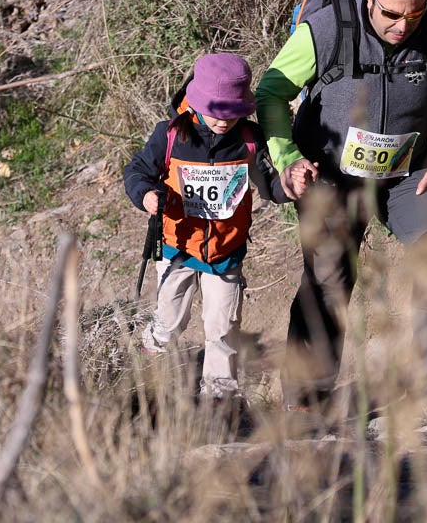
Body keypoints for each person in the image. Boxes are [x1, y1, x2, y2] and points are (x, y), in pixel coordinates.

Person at [255, 0, 427, 417]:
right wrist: (287, 159)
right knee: (330, 271)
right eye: (393, 15)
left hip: (407, 171)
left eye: (414, 13)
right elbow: (272, 94)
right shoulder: (326, 29)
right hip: (330, 173)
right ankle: (306, 401)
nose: (404, 27)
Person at [123, 53, 305, 400]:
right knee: (169, 322)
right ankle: (146, 381)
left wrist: (292, 186)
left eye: (233, 112)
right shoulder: (171, 135)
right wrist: (146, 195)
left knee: (222, 329)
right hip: (176, 247)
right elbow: (137, 172)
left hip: (226, 253)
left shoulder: (250, 139)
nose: (224, 121)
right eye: (216, 112)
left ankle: (219, 402)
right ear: (195, 102)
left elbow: (269, 185)